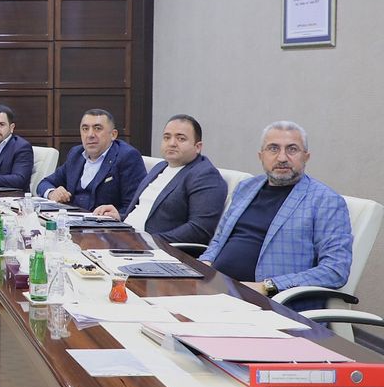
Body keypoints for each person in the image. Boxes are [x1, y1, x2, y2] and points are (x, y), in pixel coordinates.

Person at [200, 121, 351, 303]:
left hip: (267, 302)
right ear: (261, 156)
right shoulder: (246, 187)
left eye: (292, 149)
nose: (282, 158)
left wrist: (268, 286)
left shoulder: (326, 201)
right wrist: (203, 265)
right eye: (273, 148)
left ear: (306, 156)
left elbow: (335, 270)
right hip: (216, 288)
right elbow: (219, 240)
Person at [94, 115, 227, 243]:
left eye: (181, 139)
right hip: (126, 238)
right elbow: (146, 212)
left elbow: (199, 230)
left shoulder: (205, 175)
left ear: (198, 147)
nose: (172, 143)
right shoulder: (161, 167)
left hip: (156, 250)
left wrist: (147, 240)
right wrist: (119, 217)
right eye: (167, 137)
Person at [36, 109, 146, 212]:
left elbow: (135, 206)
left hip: (105, 224)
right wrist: (52, 193)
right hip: (71, 219)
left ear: (113, 135)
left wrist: (116, 215)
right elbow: (44, 183)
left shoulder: (127, 157)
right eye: (85, 129)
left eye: (97, 128)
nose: (90, 135)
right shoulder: (76, 154)